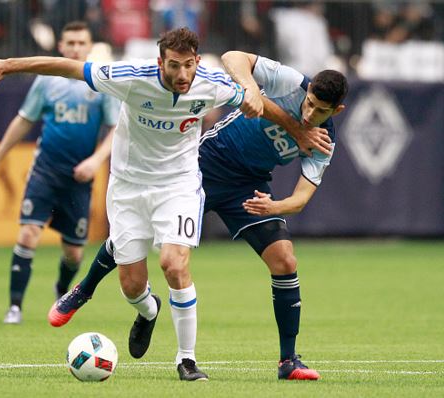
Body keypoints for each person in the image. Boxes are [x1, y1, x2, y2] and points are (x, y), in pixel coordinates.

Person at [0, 27, 331, 381]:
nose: (183, 73)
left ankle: (187, 359)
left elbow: (258, 104)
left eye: (189, 65)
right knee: (132, 285)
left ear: (197, 62)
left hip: (180, 184)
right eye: (174, 65)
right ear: (160, 62)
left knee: (174, 263)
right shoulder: (130, 76)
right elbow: (70, 68)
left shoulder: (211, 83)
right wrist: (8, 65)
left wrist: (286, 122)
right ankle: (147, 310)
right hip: (128, 186)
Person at [45, 50, 348, 381]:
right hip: (203, 164)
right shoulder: (290, 81)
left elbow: (301, 198)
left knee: (285, 261)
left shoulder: (325, 140)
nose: (309, 113)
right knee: (135, 233)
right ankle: (84, 290)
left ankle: (288, 362)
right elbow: (234, 57)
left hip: (247, 187)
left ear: (337, 111)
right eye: (309, 103)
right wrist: (250, 88)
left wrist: (275, 207)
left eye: (320, 111)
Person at [0, 21, 119, 325]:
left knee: (73, 254)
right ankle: (15, 306)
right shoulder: (46, 81)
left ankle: (62, 293)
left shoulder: (99, 83)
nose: (76, 48)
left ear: (90, 46)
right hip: (45, 170)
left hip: (80, 178)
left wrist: (96, 161)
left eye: (82, 43)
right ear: (61, 47)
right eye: (71, 43)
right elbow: (24, 120)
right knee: (28, 233)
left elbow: (117, 129)